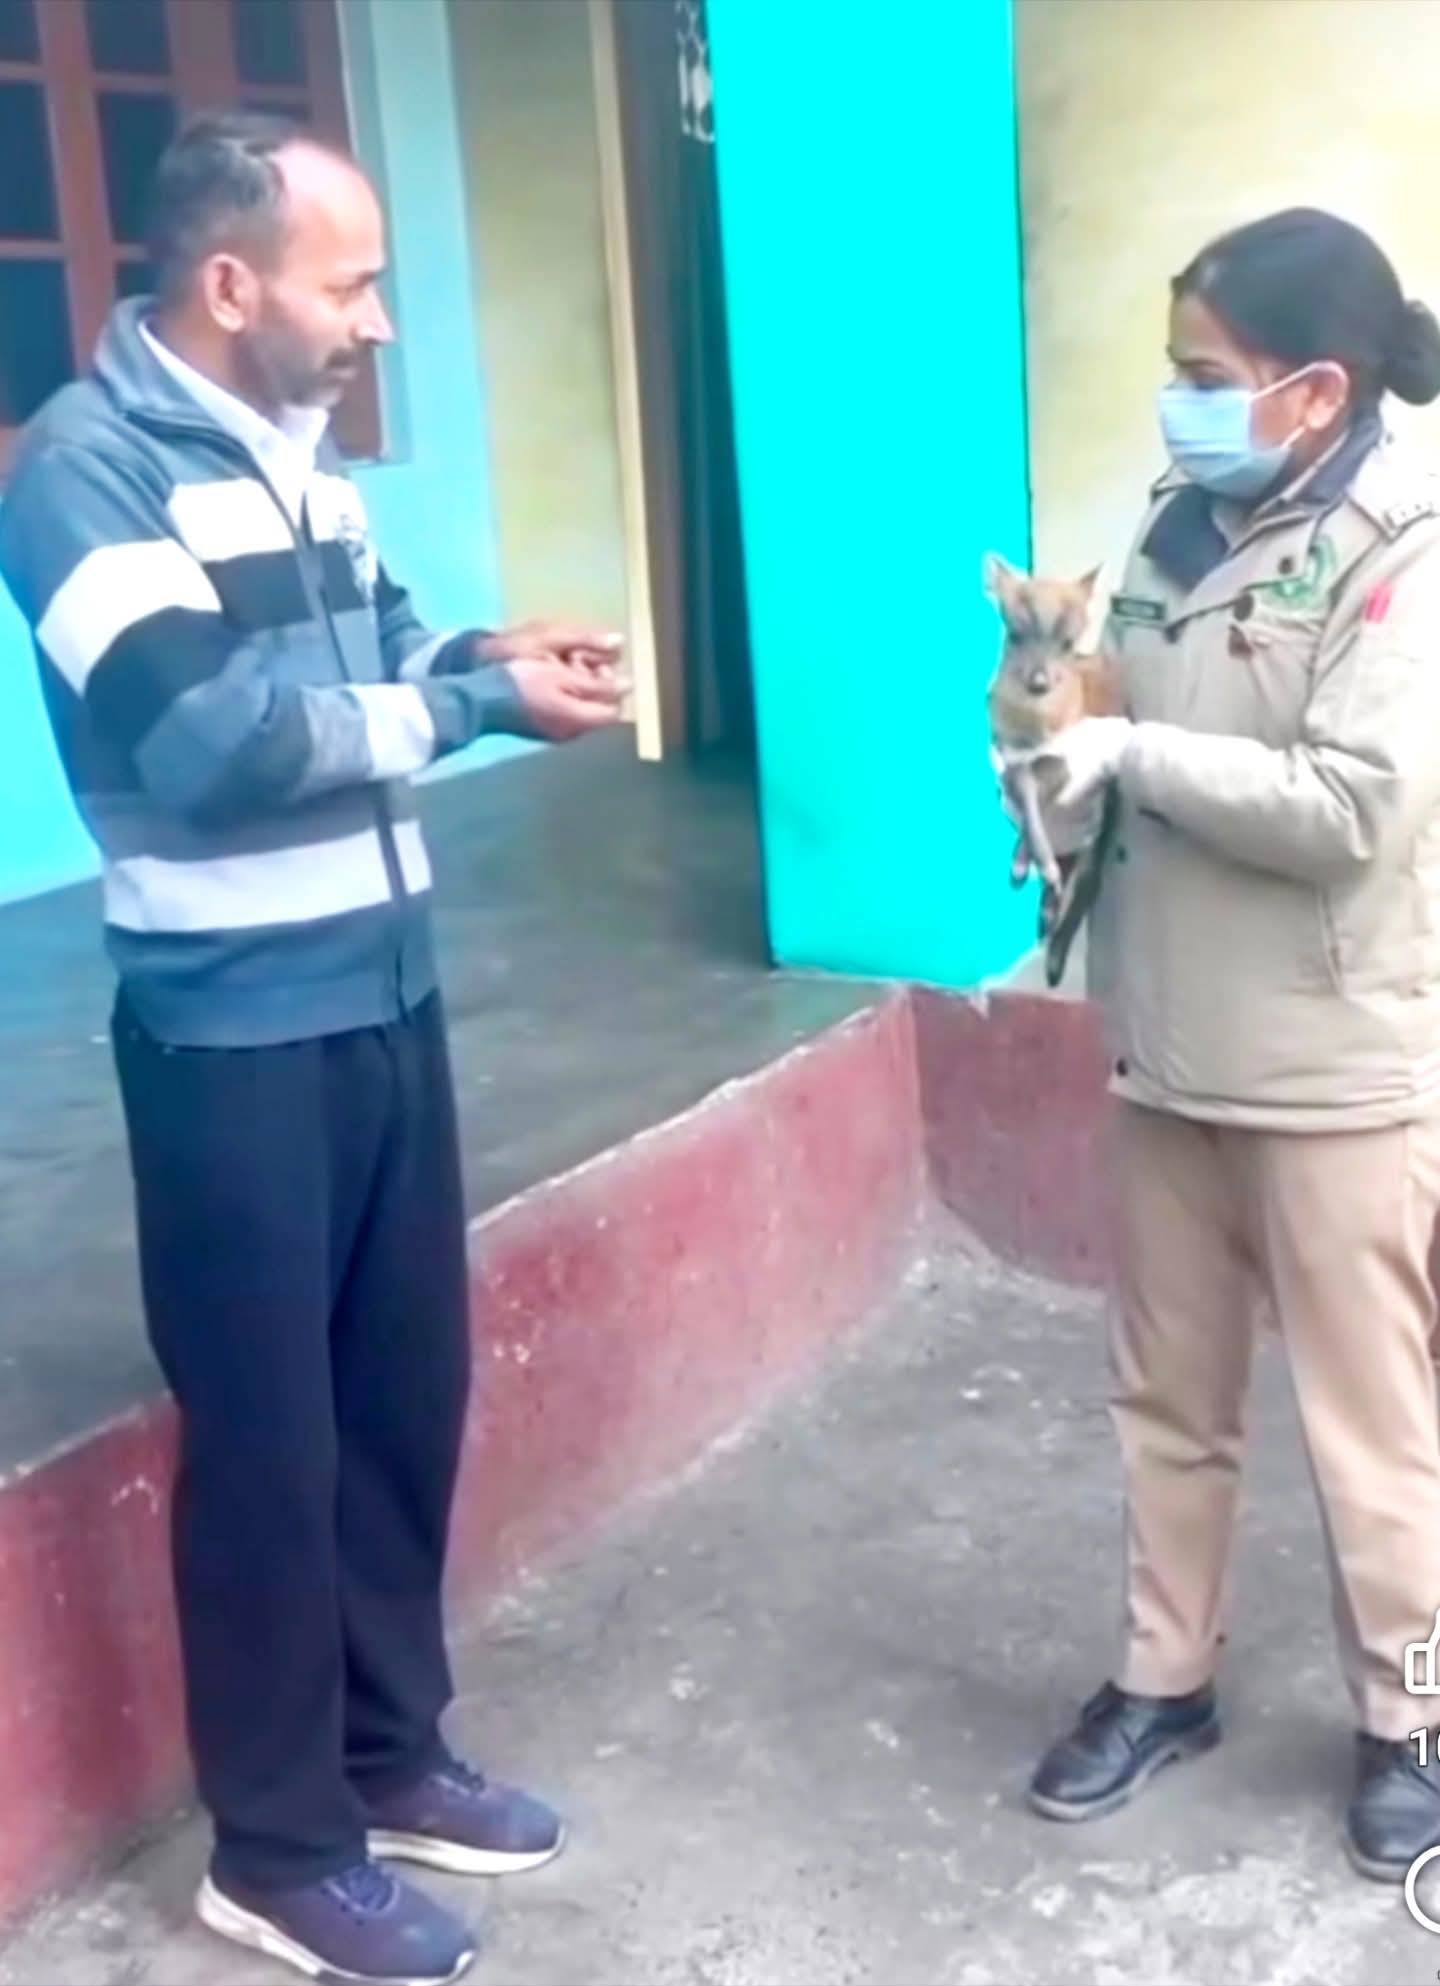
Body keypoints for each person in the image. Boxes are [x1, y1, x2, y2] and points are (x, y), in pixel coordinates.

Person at [0, 113, 626, 1985]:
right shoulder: (78, 473)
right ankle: (275, 1848)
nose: (375, 322)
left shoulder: (303, 454)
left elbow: (385, 651)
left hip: (385, 992)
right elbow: (214, 742)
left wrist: (490, 659)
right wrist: (465, 709)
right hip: (230, 1032)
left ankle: (386, 1750)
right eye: (349, 285)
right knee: (269, 1443)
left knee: (398, 1399)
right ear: (229, 283)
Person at [1017, 209, 1440, 1883]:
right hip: (1168, 1042)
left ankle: (1411, 1714)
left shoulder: (1401, 549)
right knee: (1166, 1399)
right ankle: (1162, 1678)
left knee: (1373, 1421)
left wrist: (1133, 756)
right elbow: (1115, 700)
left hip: (1336, 1065)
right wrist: (1051, 747)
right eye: (1176, 371)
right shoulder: (1173, 524)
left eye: (1208, 374)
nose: (1180, 402)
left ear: (1315, 390)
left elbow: (1350, 811)